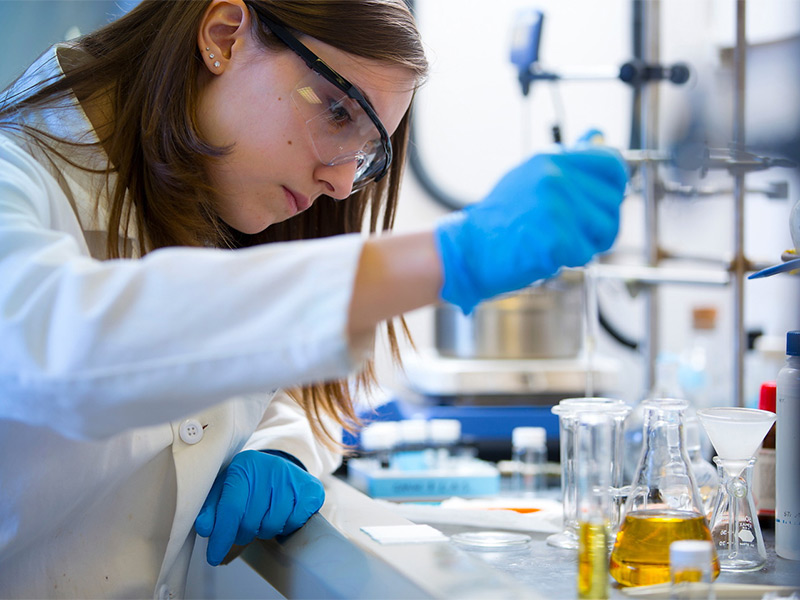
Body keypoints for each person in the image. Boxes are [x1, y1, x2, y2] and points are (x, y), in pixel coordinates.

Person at [0, 0, 628, 597]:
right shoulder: (16, 174)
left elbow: (246, 380)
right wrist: (443, 256)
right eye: (336, 113)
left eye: (367, 155)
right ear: (222, 35)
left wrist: (279, 447)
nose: (339, 180)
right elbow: (56, 349)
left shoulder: (208, 189)